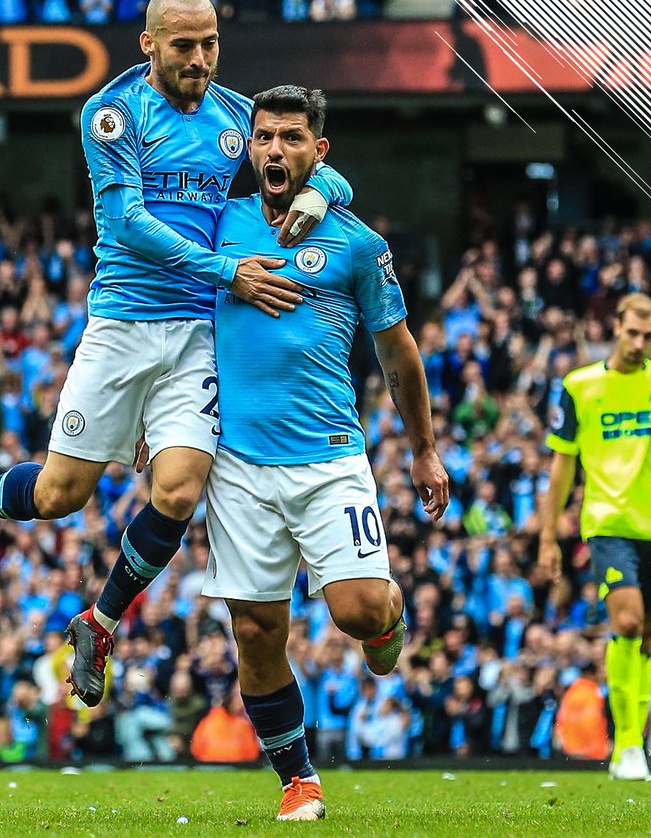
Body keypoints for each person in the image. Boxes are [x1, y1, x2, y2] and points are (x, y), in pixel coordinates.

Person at [0, 0, 352, 708]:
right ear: (149, 44)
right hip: (122, 326)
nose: (200, 59)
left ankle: (99, 622)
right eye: (184, 45)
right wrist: (227, 270)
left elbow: (309, 161)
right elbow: (128, 224)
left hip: (196, 334)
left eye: (210, 44)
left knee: (179, 491)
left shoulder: (237, 115)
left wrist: (320, 193)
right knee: (61, 496)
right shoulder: (113, 113)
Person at [202, 85, 448, 820]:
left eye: (291, 137)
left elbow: (398, 354)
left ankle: (389, 616)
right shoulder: (219, 224)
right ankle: (298, 780)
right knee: (256, 631)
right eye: (264, 137)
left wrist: (424, 451)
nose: (275, 149)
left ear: (319, 149)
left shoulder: (359, 245)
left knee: (360, 612)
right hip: (237, 464)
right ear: (249, 147)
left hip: (329, 459)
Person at [539, 292, 651, 781]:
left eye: (649, 336)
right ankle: (627, 743)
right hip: (607, 522)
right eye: (632, 332)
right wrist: (548, 536)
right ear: (616, 327)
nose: (639, 342)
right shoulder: (579, 385)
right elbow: (562, 466)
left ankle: (635, 741)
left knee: (649, 634)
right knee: (627, 622)